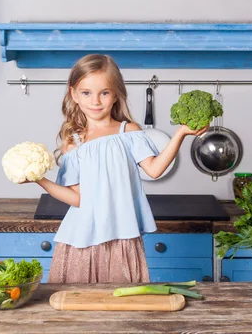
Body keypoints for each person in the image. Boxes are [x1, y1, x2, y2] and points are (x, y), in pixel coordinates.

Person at [30, 54, 207, 283]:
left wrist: (181, 133)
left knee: (124, 307)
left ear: (115, 94)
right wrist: (39, 179)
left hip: (122, 235)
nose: (95, 101)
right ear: (74, 94)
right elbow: (78, 199)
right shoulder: (73, 143)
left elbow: (154, 170)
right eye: (86, 93)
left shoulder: (129, 132)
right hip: (81, 240)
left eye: (104, 93)